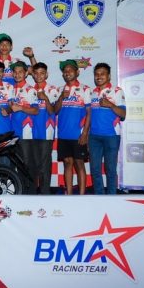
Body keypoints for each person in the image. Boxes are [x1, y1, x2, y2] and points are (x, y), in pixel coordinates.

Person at [54, 60, 92, 195]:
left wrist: (85, 133)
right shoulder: (59, 90)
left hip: (78, 134)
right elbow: (55, 111)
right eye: (65, 71)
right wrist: (61, 98)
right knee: (67, 163)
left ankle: (81, 196)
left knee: (79, 163)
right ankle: (69, 195)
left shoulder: (85, 89)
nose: (67, 72)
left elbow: (89, 113)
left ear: (77, 72)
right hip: (63, 134)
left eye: (70, 70)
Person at [89, 63, 126, 194]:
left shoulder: (117, 91)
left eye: (102, 74)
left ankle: (111, 197)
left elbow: (123, 114)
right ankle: (100, 196)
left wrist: (110, 105)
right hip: (94, 137)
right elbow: (90, 114)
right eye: (96, 74)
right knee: (95, 170)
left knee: (110, 169)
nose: (99, 76)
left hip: (111, 136)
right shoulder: (93, 92)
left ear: (109, 76)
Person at [8, 61, 38, 194]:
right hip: (13, 132)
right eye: (15, 72)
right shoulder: (10, 89)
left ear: (26, 73)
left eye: (20, 72)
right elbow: (11, 108)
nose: (17, 74)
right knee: (17, 164)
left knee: (28, 164)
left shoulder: (30, 90)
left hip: (26, 132)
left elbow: (35, 111)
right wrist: (7, 111)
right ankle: (21, 192)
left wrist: (20, 107)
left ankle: (31, 193)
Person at [30, 62, 60, 194]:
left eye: (42, 73)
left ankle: (45, 193)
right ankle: (33, 193)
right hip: (31, 132)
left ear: (46, 74)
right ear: (33, 75)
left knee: (44, 165)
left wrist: (46, 99)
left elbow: (53, 111)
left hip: (46, 132)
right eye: (36, 73)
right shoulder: (30, 89)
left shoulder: (52, 89)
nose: (39, 76)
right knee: (33, 165)